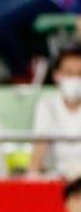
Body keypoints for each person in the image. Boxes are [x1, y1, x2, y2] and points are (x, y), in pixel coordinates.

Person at [33, 46, 81, 177]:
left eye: (80, 74)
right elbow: (39, 145)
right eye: (69, 73)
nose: (76, 79)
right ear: (57, 75)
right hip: (56, 177)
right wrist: (32, 173)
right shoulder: (47, 105)